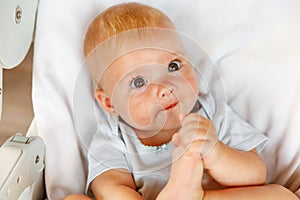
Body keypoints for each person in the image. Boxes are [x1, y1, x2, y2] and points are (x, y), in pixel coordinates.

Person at [65, 2, 298, 200]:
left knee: (281, 195)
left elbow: (256, 173)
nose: (165, 88)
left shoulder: (210, 113)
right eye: (138, 82)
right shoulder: (114, 137)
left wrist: (217, 154)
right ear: (109, 104)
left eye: (173, 66)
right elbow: (109, 186)